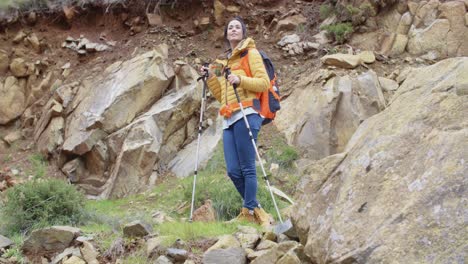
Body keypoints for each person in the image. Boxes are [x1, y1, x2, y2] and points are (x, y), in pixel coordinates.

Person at [200, 16, 271, 227]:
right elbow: (222, 95)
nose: (233, 30)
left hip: (248, 113)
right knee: (232, 170)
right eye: (230, 27)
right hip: (229, 117)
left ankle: (248, 211)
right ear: (226, 33)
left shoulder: (252, 54)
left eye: (237, 27)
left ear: (243, 32)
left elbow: (264, 83)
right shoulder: (224, 62)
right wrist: (210, 78)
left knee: (247, 167)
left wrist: (241, 79)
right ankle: (256, 209)